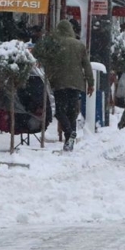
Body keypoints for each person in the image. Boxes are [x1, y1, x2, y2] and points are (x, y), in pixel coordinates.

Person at [33, 20, 94, 152]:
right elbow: (87, 65)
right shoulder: (79, 45)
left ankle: (69, 132)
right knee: (72, 112)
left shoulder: (54, 44)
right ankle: (69, 140)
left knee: (60, 111)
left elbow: (39, 54)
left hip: (59, 81)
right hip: (76, 83)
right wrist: (91, 83)